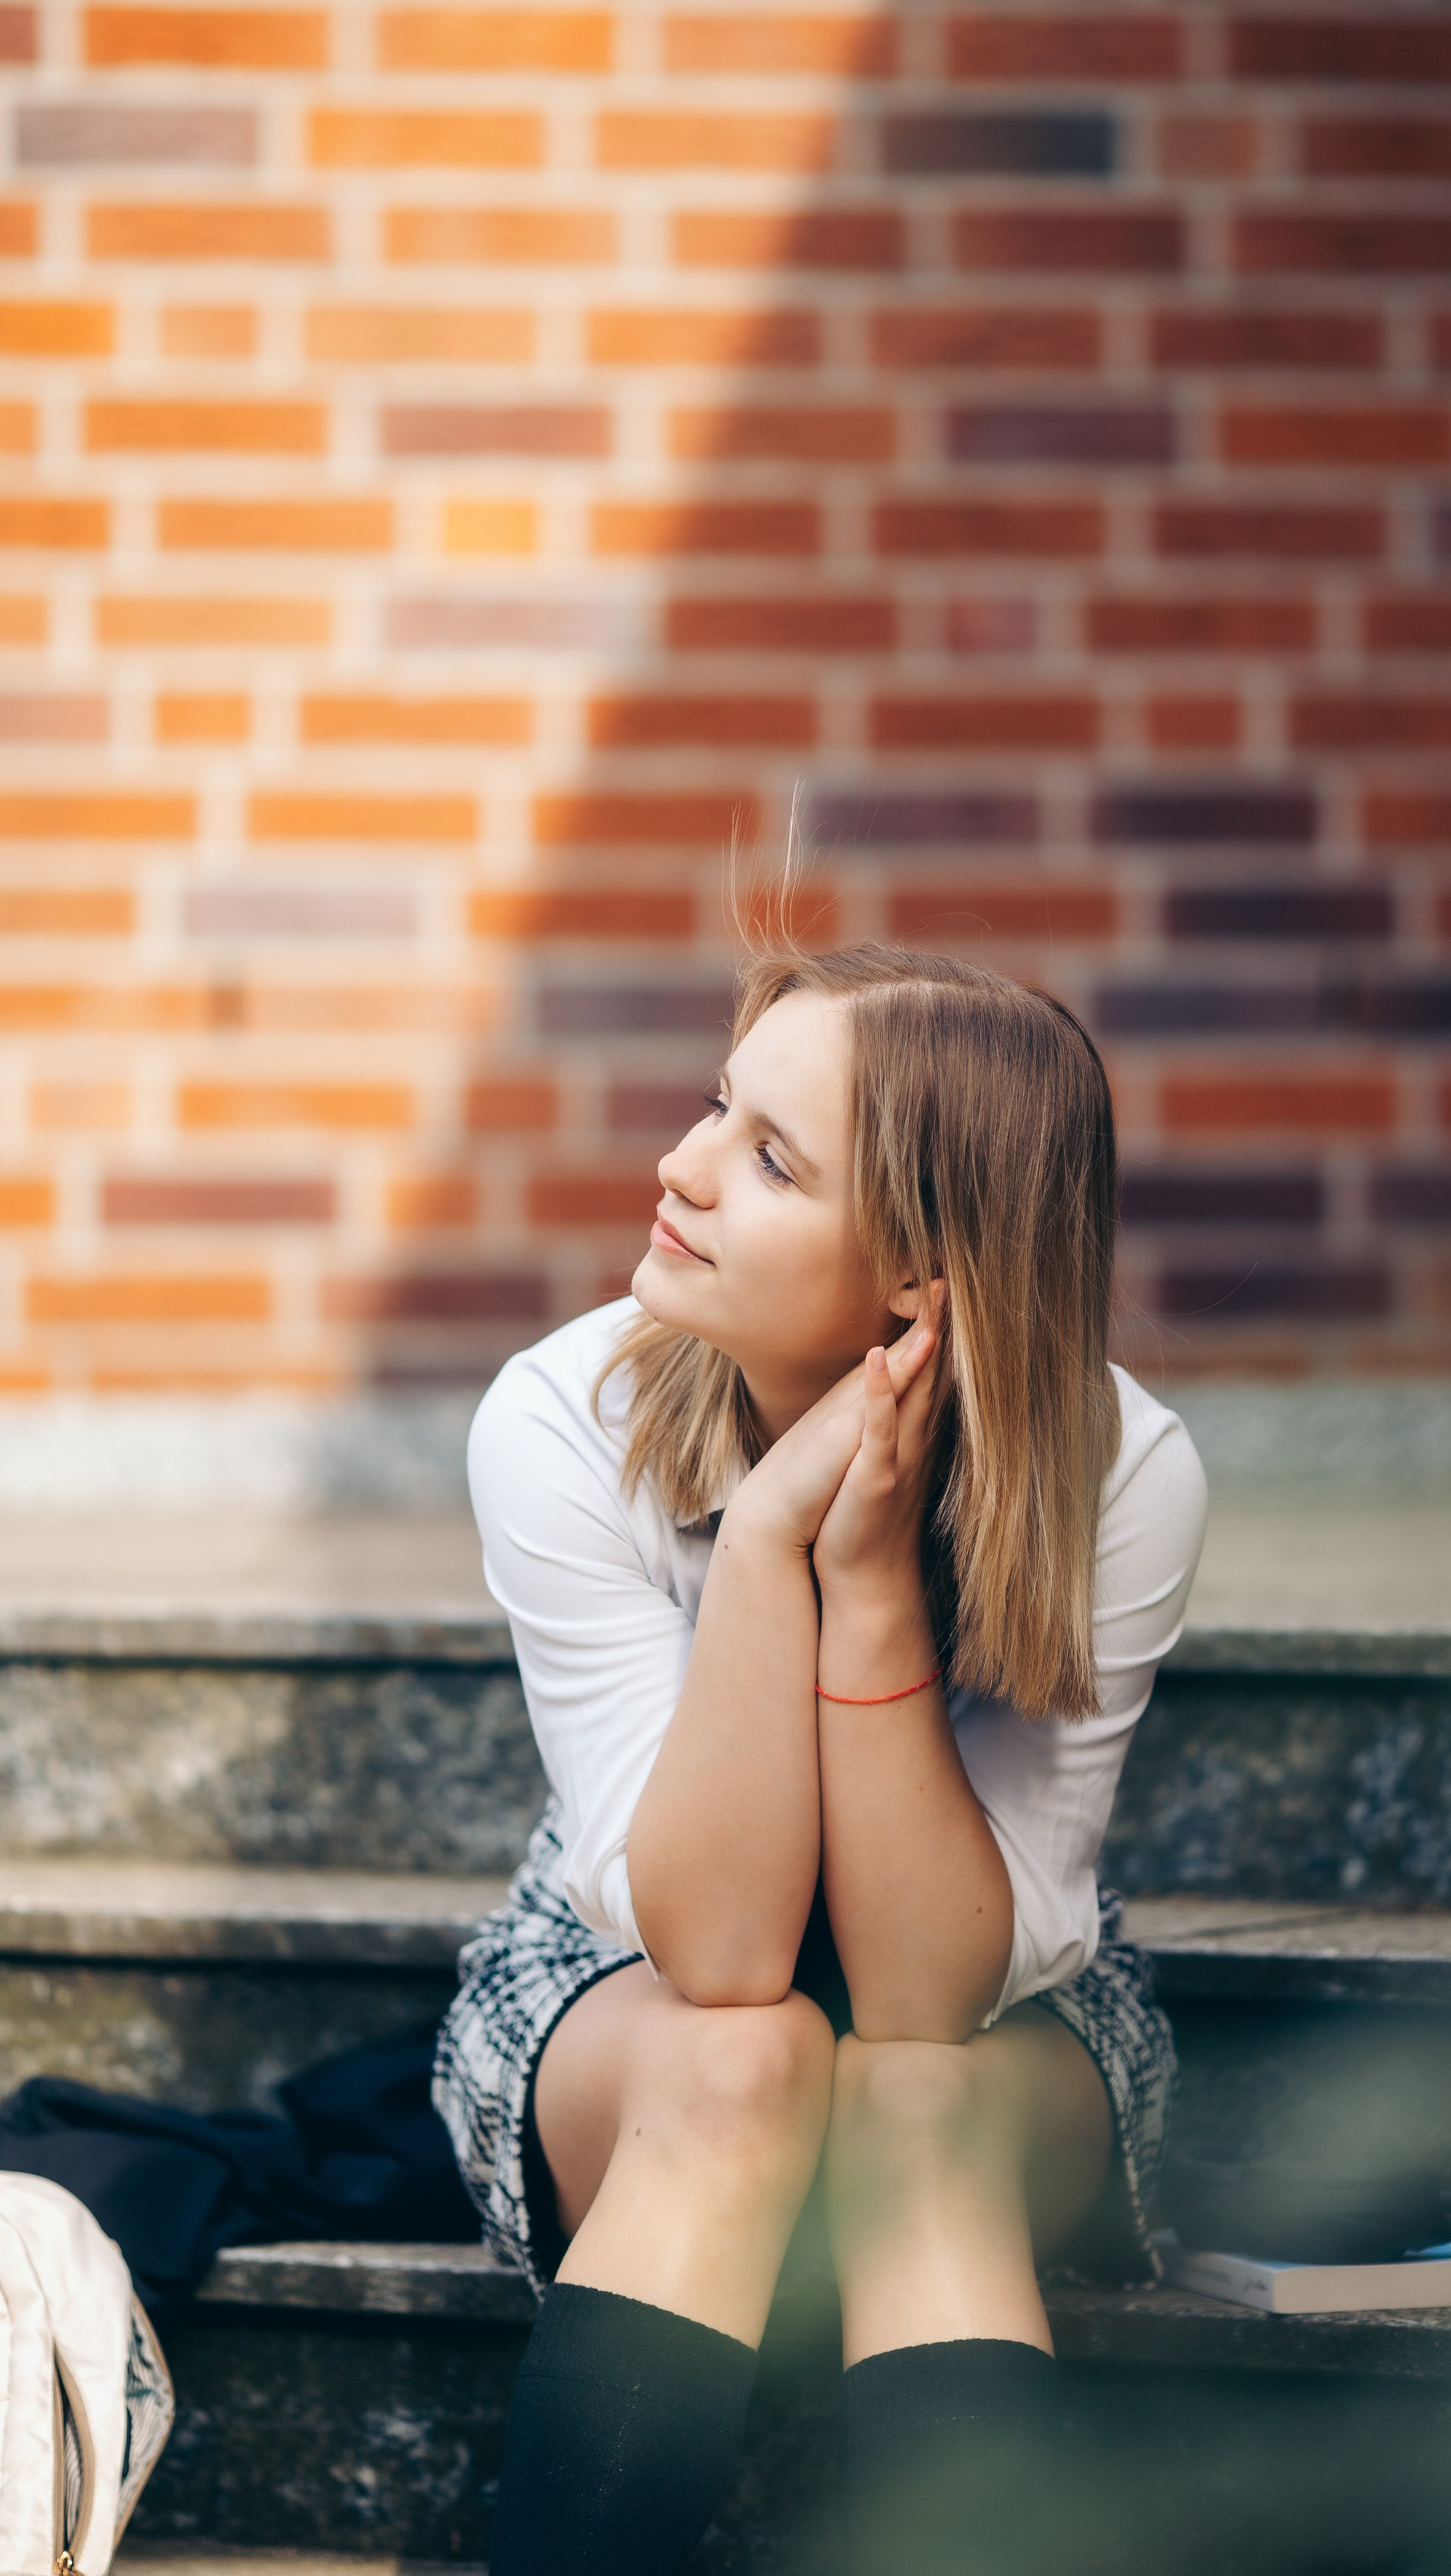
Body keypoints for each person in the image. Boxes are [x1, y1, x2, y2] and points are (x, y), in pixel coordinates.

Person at [434, 941, 1207, 2575]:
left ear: (921, 1281)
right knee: (747, 2062)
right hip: (622, 1997)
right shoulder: (560, 1416)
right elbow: (714, 1960)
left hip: (998, 2012)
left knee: (907, 2100)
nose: (679, 1167)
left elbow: (929, 1994)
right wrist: (771, 1535)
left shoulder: (1117, 1469)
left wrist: (864, 1590)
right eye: (718, 1105)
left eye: (768, 1158)